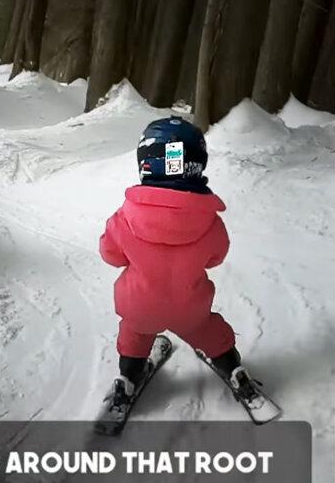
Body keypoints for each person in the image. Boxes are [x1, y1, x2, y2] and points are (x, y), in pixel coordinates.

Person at [98, 116, 259, 414]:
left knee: (134, 335)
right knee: (210, 331)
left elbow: (110, 255)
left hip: (140, 309)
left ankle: (128, 377)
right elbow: (217, 257)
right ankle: (234, 369)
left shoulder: (124, 217)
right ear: (198, 163)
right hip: (190, 310)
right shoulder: (210, 221)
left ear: (146, 161)